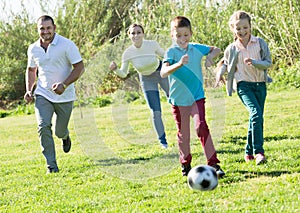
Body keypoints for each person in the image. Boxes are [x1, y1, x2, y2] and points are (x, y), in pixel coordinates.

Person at [161, 16, 225, 177]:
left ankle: (214, 164)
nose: (183, 39)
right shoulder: (171, 52)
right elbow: (163, 72)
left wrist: (210, 58)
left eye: (186, 35)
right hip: (179, 101)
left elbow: (215, 49)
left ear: (190, 33)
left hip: (197, 97)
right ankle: (186, 164)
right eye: (178, 35)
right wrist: (179, 64)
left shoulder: (196, 48)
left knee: (201, 126)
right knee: (184, 134)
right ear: (172, 35)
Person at [24, 15, 85, 174]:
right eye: (42, 29)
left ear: (54, 28)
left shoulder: (66, 45)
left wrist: (64, 84)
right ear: (38, 30)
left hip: (65, 96)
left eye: (48, 28)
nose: (45, 32)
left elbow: (79, 67)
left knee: (59, 131)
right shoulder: (33, 48)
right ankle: (51, 166)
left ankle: (65, 137)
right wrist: (29, 90)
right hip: (43, 93)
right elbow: (31, 70)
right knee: (43, 126)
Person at [215, 11, 272, 165]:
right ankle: (259, 152)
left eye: (245, 27)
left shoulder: (260, 43)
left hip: (260, 85)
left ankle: (248, 151)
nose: (242, 31)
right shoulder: (232, 48)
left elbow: (268, 63)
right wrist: (219, 74)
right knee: (256, 113)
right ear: (233, 30)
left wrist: (254, 62)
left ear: (250, 26)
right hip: (243, 85)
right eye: (238, 29)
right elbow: (226, 64)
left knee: (256, 117)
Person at [109, 24, 169, 149]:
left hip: (160, 72)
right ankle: (163, 141)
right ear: (129, 36)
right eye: (133, 33)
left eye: (138, 32)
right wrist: (115, 69)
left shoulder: (152, 44)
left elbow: (165, 55)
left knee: (175, 100)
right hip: (146, 79)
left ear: (143, 34)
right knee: (155, 111)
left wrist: (174, 60)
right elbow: (124, 73)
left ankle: (188, 129)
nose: (136, 35)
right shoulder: (128, 53)